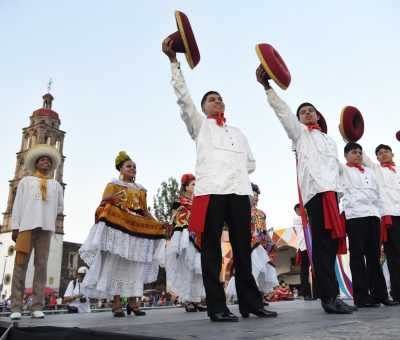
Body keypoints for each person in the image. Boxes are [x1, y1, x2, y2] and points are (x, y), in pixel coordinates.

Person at [163, 38, 276, 322]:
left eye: (220, 98)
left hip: (239, 193)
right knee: (211, 251)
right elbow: (183, 97)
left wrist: (235, 174)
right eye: (211, 99)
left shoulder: (237, 132)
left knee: (243, 250)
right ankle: (217, 307)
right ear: (203, 109)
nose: (217, 101)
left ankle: (251, 303)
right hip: (210, 191)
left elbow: (250, 162)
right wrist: (173, 62)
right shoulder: (199, 126)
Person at [256, 69, 355, 314]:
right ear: (299, 119)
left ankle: (334, 296)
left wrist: (343, 197)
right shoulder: (300, 135)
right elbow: (283, 112)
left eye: (310, 110)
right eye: (302, 112)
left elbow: (338, 171)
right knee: (321, 247)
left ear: (318, 116)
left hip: (334, 197)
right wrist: (268, 87)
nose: (307, 113)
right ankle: (328, 298)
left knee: (332, 247)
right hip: (316, 196)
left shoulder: (329, 141)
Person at [79, 151, 166, 317]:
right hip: (120, 228)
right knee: (116, 263)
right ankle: (116, 303)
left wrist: (157, 224)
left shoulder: (141, 190)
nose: (132, 168)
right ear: (120, 168)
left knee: (137, 265)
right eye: (129, 166)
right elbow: (103, 205)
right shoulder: (113, 185)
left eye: (134, 166)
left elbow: (144, 211)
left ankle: (133, 303)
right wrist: (112, 200)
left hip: (137, 229)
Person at [10, 144, 64, 321]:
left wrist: (48, 218)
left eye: (48, 161)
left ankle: (37, 306)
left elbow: (59, 206)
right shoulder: (26, 181)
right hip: (26, 228)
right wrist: (16, 227)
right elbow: (17, 205)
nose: (46, 162)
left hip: (45, 229)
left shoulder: (55, 185)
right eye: (42, 160)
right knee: (20, 267)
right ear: (36, 164)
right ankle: (16, 306)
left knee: (41, 267)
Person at [340, 142, 398, 308]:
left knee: (374, 257)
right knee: (358, 257)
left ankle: (380, 296)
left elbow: (379, 194)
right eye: (353, 152)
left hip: (373, 215)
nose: (358, 155)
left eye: (359, 152)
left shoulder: (371, 172)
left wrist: (379, 214)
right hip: (355, 216)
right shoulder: (342, 170)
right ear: (346, 155)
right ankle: (362, 297)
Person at [225, 183, 278, 302]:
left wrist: (271, 242)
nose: (256, 197)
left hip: (262, 244)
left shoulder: (262, 213)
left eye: (257, 195)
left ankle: (260, 295)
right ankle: (245, 295)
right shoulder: (245, 211)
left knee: (262, 269)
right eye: (253, 195)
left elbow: (264, 229)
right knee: (252, 267)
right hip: (250, 243)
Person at [362, 143, 400, 303]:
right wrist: (348, 133)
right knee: (395, 256)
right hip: (389, 215)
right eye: (380, 153)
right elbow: (364, 158)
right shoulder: (376, 170)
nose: (384, 154)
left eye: (386, 151)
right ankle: (397, 293)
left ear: (392, 154)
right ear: (377, 157)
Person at [166, 174, 206, 312]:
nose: (196, 186)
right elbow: (174, 219)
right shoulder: (180, 202)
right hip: (187, 237)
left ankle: (197, 299)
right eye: (193, 184)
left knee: (199, 268)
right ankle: (188, 299)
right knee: (188, 266)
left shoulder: (201, 202)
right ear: (186, 187)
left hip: (201, 237)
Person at [293, 204, 314, 300]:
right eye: (301, 209)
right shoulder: (297, 219)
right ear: (297, 211)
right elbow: (307, 220)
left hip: (312, 245)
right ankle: (306, 294)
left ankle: (317, 293)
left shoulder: (307, 218)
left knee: (316, 269)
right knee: (305, 270)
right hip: (304, 247)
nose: (304, 211)